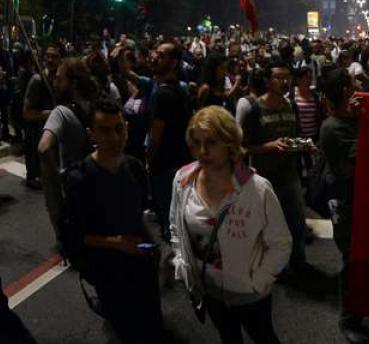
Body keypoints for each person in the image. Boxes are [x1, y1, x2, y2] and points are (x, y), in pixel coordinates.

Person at [170, 106, 291, 344]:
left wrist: (258, 281)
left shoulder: (257, 188)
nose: (202, 151)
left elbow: (281, 243)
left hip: (249, 293)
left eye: (211, 142)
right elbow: (175, 226)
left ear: (229, 143)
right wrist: (182, 265)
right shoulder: (182, 180)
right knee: (229, 337)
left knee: (264, 336)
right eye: (196, 143)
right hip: (209, 289)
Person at [62, 97, 164, 343]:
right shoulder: (80, 178)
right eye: (105, 131)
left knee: (153, 324)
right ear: (92, 134)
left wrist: (154, 247)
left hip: (141, 263)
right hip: (108, 270)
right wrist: (116, 243)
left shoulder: (135, 168)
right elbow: (73, 236)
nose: (115, 137)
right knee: (126, 328)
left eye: (119, 128)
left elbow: (137, 214)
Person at [241, 61, 310, 274]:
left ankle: (299, 263)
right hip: (265, 180)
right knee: (268, 228)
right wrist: (268, 147)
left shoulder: (292, 106)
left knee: (297, 224)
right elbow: (243, 148)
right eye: (279, 77)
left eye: (287, 77)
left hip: (290, 176)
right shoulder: (254, 109)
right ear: (268, 81)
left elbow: (296, 135)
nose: (285, 82)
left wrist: (304, 146)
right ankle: (270, 268)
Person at [318, 68, 367, 343]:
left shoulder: (362, 116)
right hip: (348, 205)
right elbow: (348, 171)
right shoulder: (331, 128)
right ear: (345, 93)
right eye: (353, 83)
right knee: (353, 262)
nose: (359, 85)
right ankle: (350, 319)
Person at [37, 57, 97, 243]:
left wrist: (58, 176)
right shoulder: (99, 104)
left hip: (72, 186)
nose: (55, 83)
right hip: (95, 179)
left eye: (59, 79)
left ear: (73, 83)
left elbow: (43, 147)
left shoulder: (61, 112)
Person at [147, 42, 194, 242]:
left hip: (166, 166)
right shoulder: (181, 90)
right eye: (155, 53)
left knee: (171, 223)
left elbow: (155, 136)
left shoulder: (162, 94)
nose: (155, 57)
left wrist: (149, 161)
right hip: (183, 163)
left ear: (174, 62)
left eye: (162, 55)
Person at [22, 45, 60, 190]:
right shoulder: (37, 81)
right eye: (48, 56)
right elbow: (26, 114)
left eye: (54, 56)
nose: (50, 60)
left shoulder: (60, 81)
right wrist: (51, 113)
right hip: (37, 136)